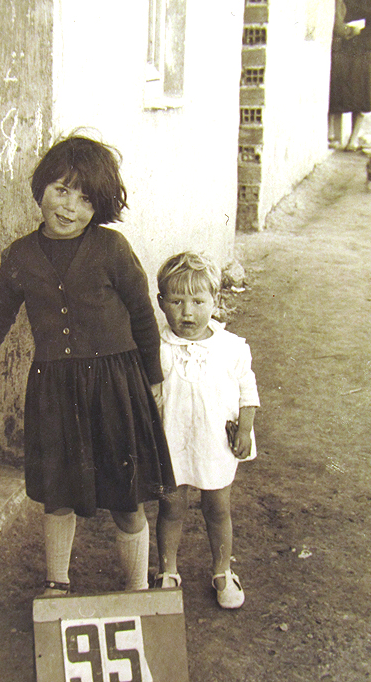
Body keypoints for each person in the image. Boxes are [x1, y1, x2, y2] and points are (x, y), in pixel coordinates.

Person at [0, 134, 175, 595]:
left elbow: (142, 313)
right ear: (41, 187)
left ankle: (137, 588)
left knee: (125, 494)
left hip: (116, 384)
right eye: (62, 190)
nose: (70, 207)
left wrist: (153, 378)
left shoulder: (113, 249)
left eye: (85, 199)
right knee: (58, 494)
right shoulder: (20, 256)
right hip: (55, 388)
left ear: (99, 208)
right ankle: (57, 582)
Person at [153, 252, 259, 609]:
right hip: (173, 442)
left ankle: (222, 571)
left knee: (218, 508)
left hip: (215, 442)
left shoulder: (232, 348)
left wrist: (245, 429)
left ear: (215, 301)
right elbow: (150, 395)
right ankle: (167, 570)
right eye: (177, 301)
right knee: (171, 507)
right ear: (161, 302)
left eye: (198, 302)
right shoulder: (158, 349)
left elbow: (248, 391)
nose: (188, 312)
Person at [329, 0, 371, 150]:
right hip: (346, 47)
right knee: (342, 94)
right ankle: (337, 136)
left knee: (361, 97)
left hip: (365, 49)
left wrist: (366, 39)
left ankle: (353, 138)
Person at [328, 0, 357, 146]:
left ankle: (333, 134)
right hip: (335, 48)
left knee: (337, 91)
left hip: (339, 48)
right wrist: (352, 31)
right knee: (334, 91)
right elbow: (337, 26)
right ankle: (331, 133)